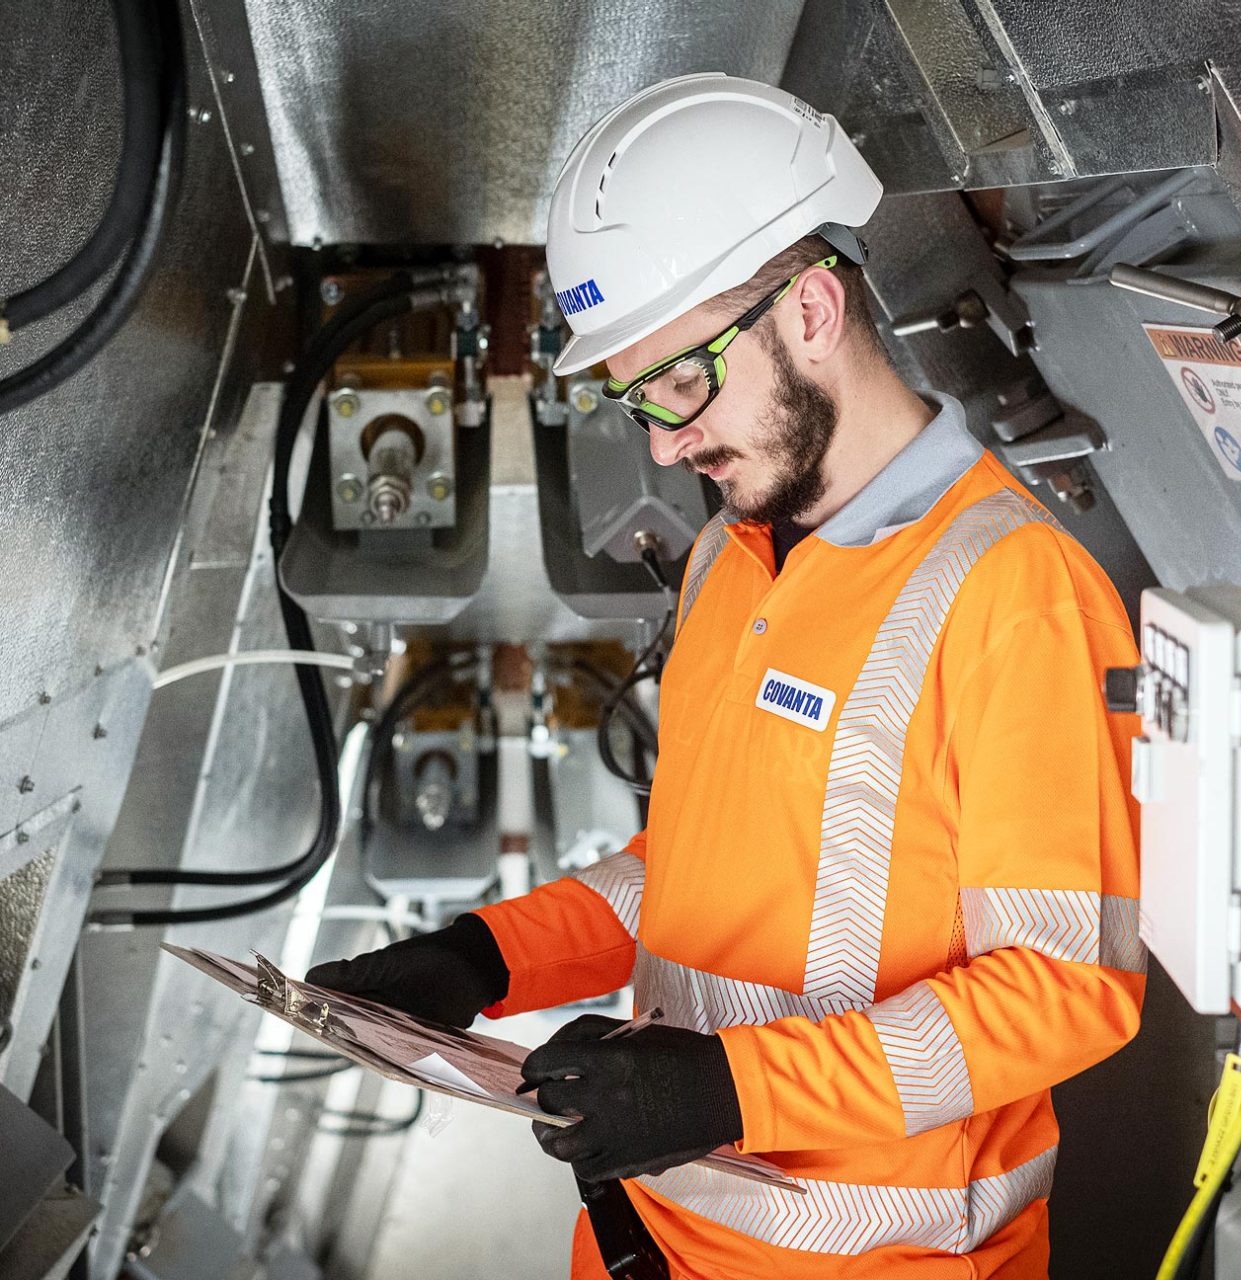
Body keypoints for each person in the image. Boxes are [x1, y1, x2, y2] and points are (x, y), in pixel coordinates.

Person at [308, 74, 1146, 1279]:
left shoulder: (1017, 593)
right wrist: (486, 957)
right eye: (632, 394)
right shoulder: (726, 554)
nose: (660, 438)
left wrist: (729, 1085)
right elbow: (695, 871)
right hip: (646, 1232)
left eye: (679, 380)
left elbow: (1064, 990)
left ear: (811, 308)